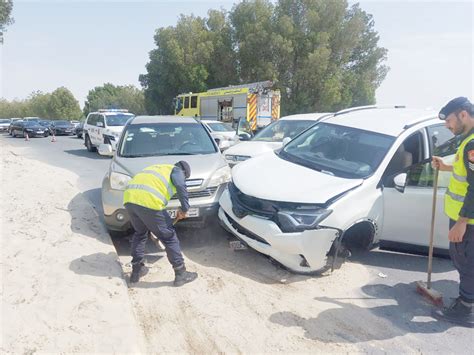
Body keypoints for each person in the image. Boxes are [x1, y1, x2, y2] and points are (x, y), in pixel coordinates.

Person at [431, 97, 474, 328]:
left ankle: (465, 311)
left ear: (463, 114)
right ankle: (466, 300)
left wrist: (462, 221)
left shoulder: (472, 143)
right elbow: (467, 173)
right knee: (465, 260)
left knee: (467, 263)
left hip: (468, 220)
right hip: (465, 217)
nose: (447, 125)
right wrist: (446, 166)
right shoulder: (468, 140)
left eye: (449, 120)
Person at [123, 161, 198, 286]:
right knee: (169, 237)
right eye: (185, 178)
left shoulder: (158, 168)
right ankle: (181, 274)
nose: (183, 179)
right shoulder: (177, 170)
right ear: (184, 172)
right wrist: (184, 209)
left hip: (130, 200)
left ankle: (136, 271)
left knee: (140, 233)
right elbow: (180, 185)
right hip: (149, 202)